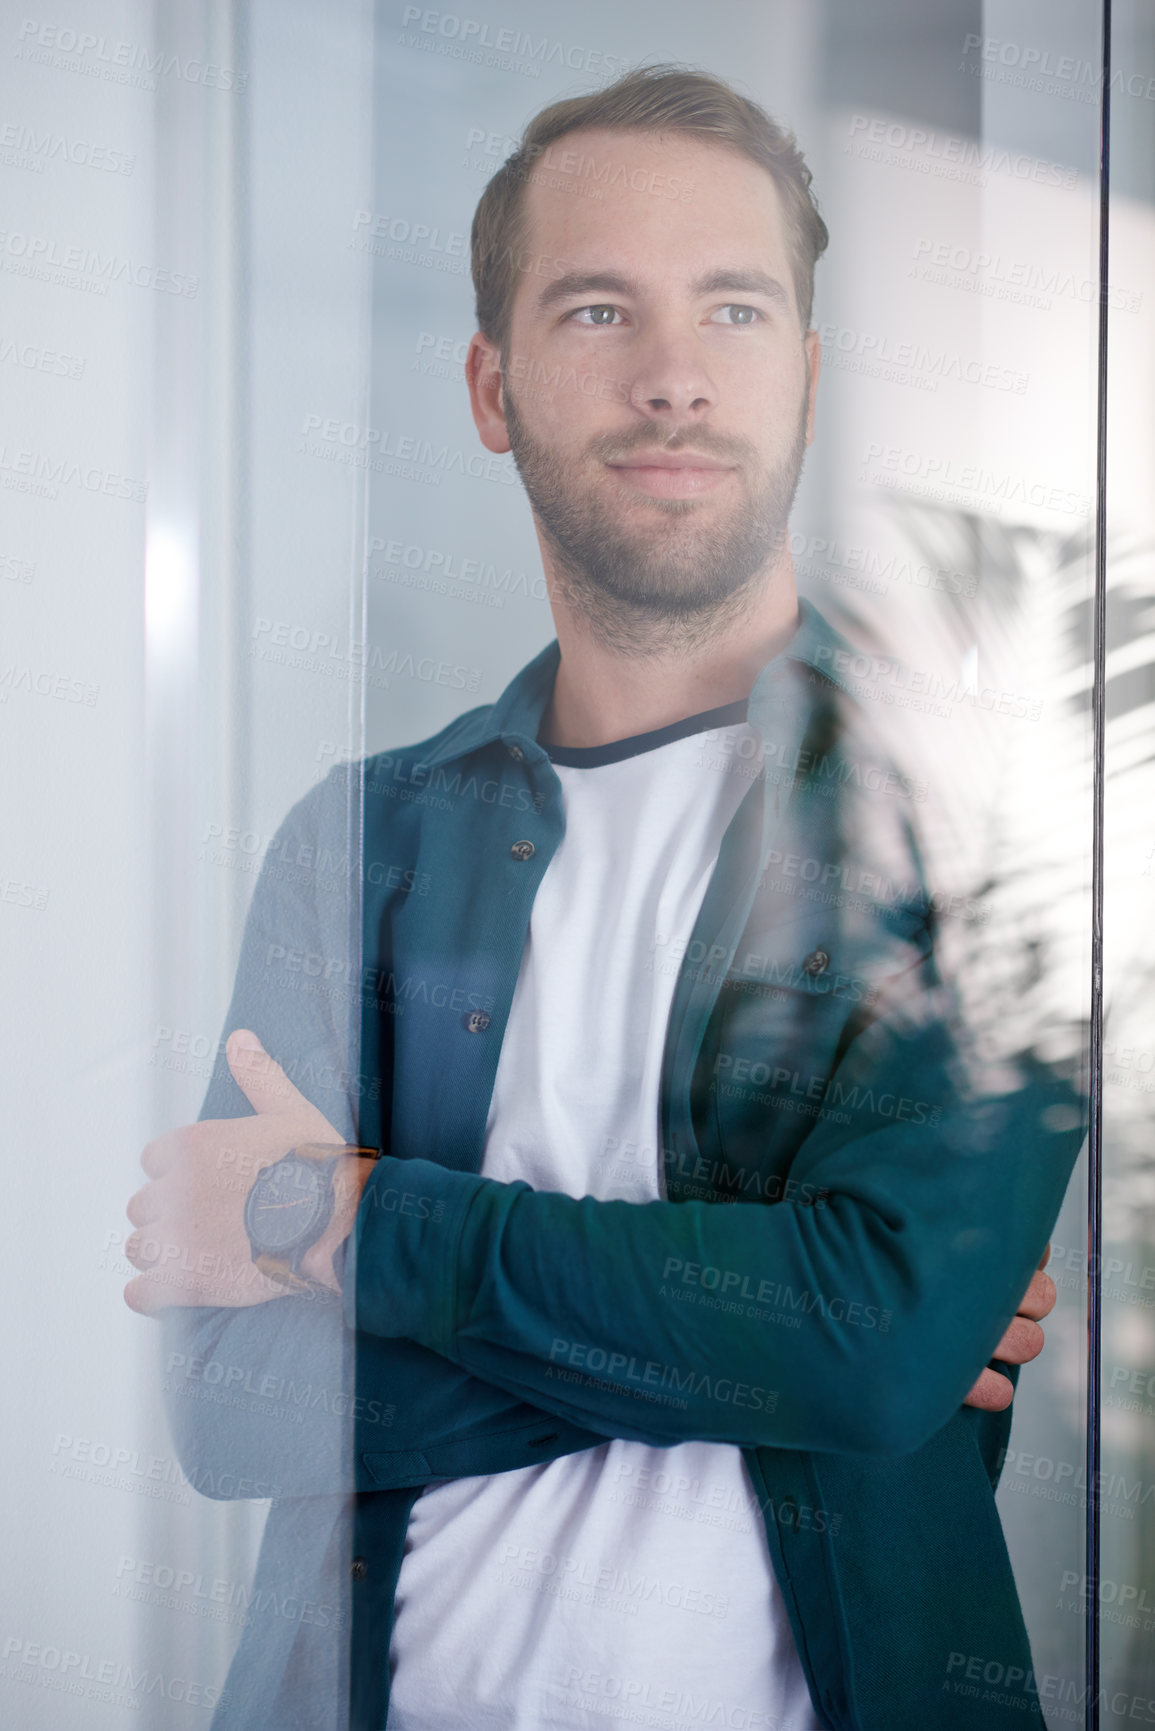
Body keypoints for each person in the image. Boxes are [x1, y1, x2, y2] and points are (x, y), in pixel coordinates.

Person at [125, 65, 1082, 1731]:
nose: (671, 379)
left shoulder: (993, 823)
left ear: (806, 371)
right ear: (491, 389)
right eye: (594, 312)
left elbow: (869, 1349)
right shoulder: (360, 842)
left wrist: (345, 1225)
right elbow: (232, 1407)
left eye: (732, 308)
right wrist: (781, 1327)